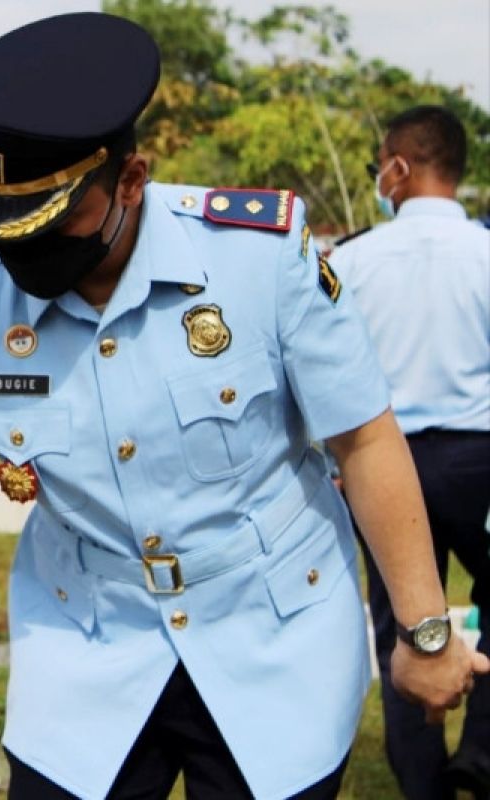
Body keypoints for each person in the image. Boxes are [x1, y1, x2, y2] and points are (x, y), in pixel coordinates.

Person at [0, 14, 488, 799]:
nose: (19, 250)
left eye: (49, 221)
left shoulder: (257, 259)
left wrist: (423, 631)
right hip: (88, 652)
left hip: (272, 641)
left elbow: (366, 441)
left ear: (130, 179)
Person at [329, 105, 490, 799]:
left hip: (382, 465)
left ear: (396, 166)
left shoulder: (351, 260)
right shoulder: (487, 253)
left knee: (400, 617)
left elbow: (324, 377)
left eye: (377, 168)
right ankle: (482, 758)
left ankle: (422, 784)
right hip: (479, 462)